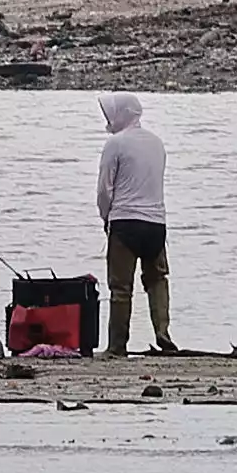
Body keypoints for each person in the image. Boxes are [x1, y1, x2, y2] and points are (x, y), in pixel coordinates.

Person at [97, 92, 177, 356]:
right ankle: (163, 335)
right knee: (157, 280)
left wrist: (105, 217)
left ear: (122, 114)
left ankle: (117, 346)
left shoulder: (115, 144)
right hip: (156, 223)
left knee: (121, 287)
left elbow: (105, 190)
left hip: (125, 222)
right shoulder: (157, 143)